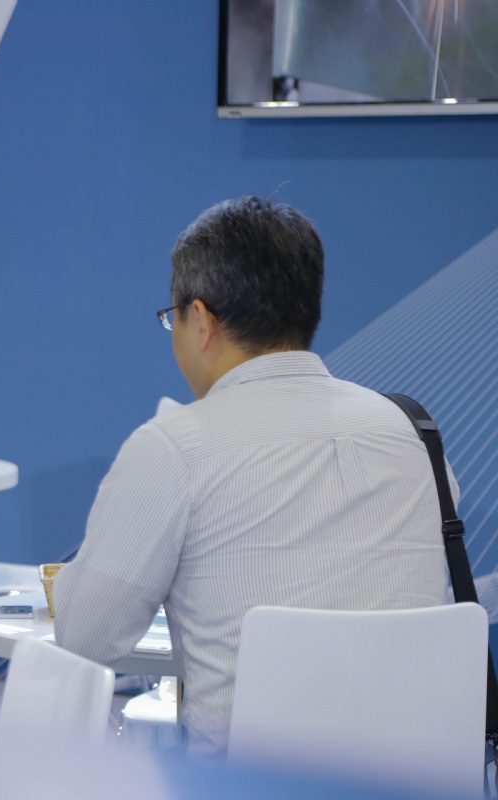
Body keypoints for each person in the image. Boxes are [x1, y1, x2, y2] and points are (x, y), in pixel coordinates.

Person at [52, 196, 451, 756]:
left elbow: (84, 638)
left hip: (248, 781)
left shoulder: (174, 447)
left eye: (172, 319)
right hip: (421, 775)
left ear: (201, 320)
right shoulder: (412, 433)